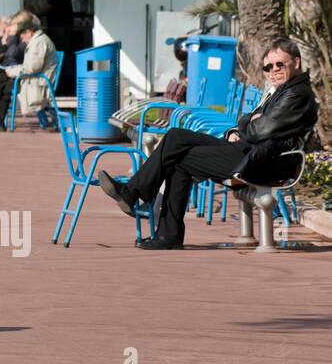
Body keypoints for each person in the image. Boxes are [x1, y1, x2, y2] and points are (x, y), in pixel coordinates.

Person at [99, 38, 318, 249]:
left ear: (296, 62)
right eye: (268, 67)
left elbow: (261, 129)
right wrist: (247, 125)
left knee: (178, 159)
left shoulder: (297, 94)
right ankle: (141, 200)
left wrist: (249, 126)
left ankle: (152, 214)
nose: (273, 71)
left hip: (261, 161)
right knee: (175, 136)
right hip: (249, 150)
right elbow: (248, 121)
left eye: (279, 64)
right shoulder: (281, 91)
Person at [0, 11, 57, 132]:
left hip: (38, 81)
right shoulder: (36, 41)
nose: (23, 40)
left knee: (5, 81)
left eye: (22, 36)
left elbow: (31, 67)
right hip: (32, 78)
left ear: (29, 32)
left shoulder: (39, 42)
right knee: (4, 80)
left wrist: (13, 70)